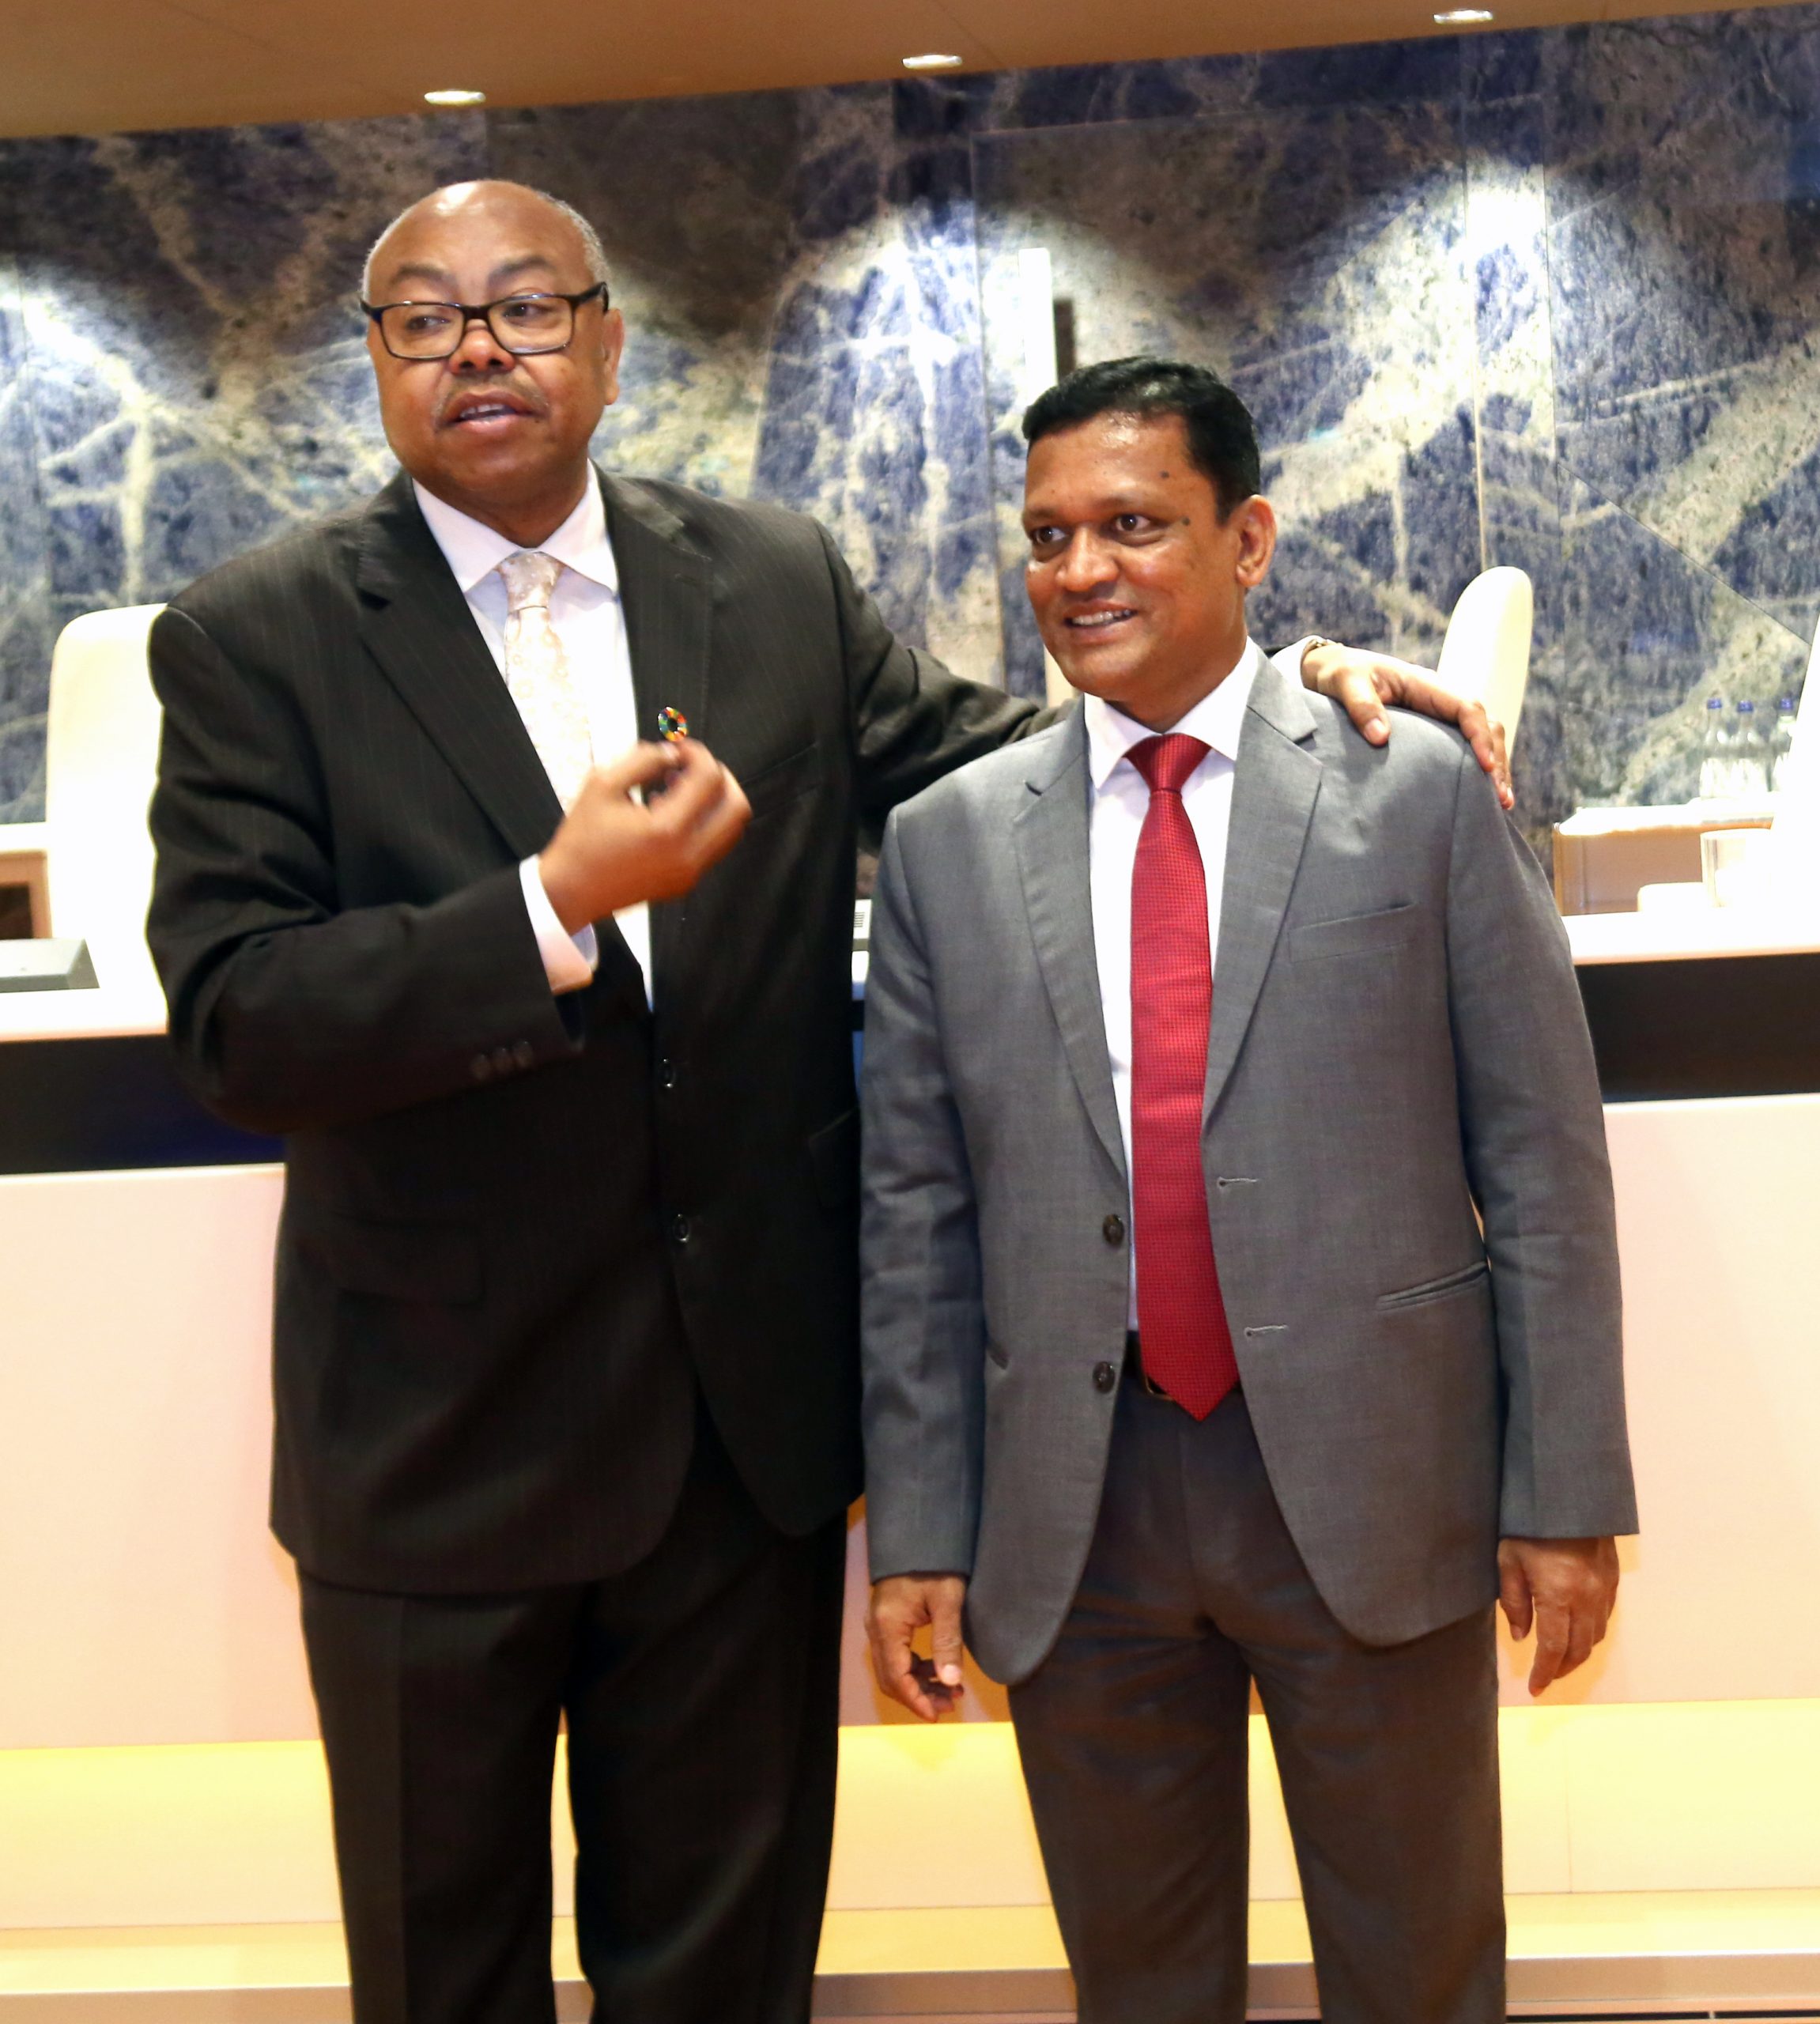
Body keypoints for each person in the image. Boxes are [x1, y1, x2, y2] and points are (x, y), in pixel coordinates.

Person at [146, 182, 1509, 2024]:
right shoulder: (255, 635)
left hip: (740, 1458)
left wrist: (1281, 693)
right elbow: (237, 1020)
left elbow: (1024, 766)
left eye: (527, 305)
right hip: (435, 1448)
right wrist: (547, 905)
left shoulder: (766, 577)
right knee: (440, 1977)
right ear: (372, 357)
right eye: (425, 316)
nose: (480, 348)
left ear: (607, 343)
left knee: (725, 1978)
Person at [860, 357, 1637, 2024]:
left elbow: (1542, 1164)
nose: (1081, 569)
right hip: (1075, 1506)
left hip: (1375, 1479)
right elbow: (915, 1215)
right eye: (1048, 535)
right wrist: (917, 1525)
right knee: (1137, 1984)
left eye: (1133, 524)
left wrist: (1563, 1486)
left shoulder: (1416, 786)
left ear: (1249, 538)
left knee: (1416, 1970)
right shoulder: (945, 840)